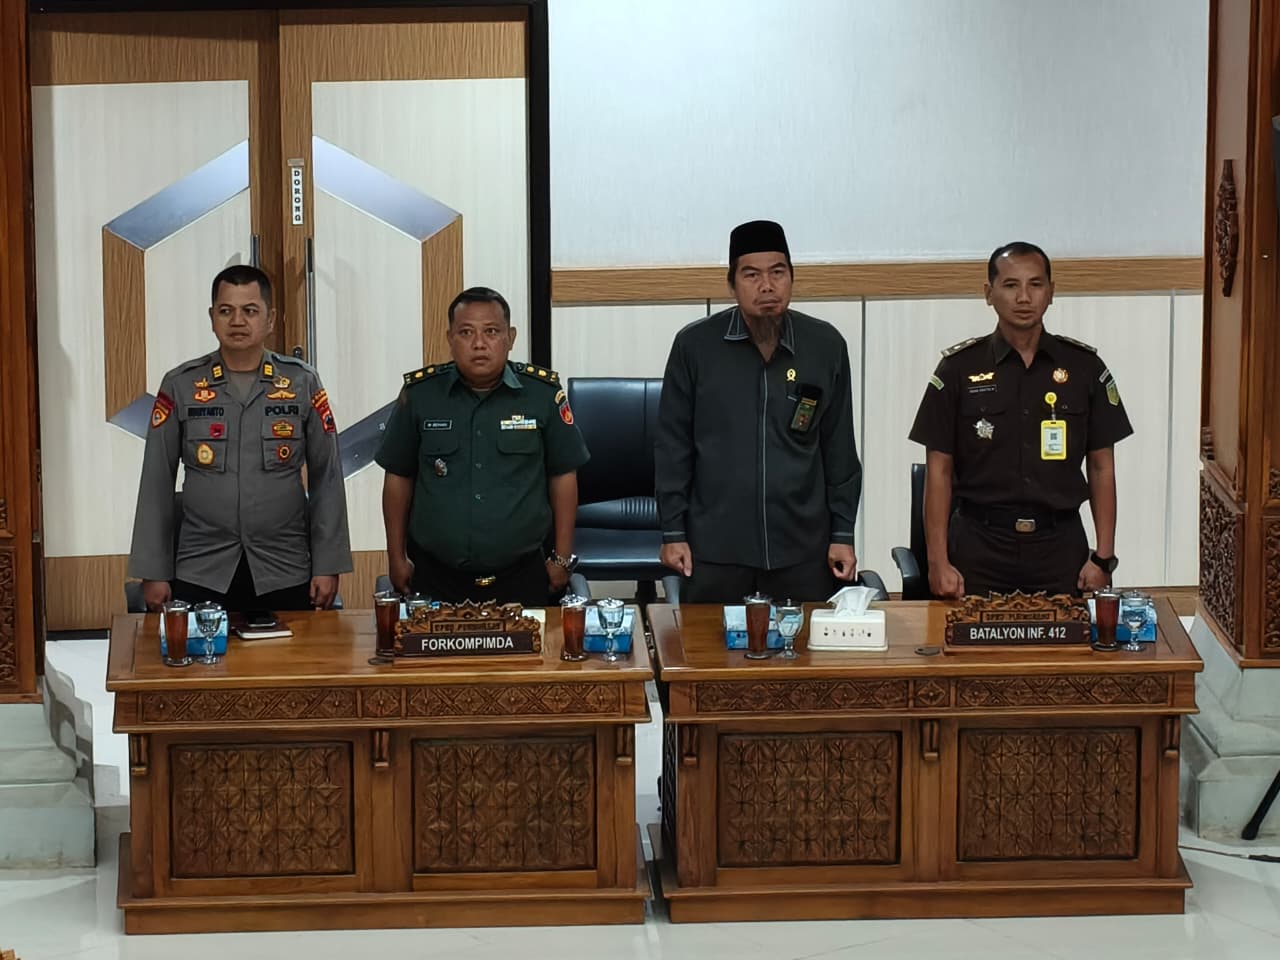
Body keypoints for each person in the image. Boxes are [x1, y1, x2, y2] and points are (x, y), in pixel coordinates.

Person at [908, 241, 1133, 598]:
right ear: (989, 293)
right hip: (978, 547)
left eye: (1036, 284)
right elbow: (939, 471)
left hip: (1059, 547)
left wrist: (1103, 558)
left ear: (1051, 292)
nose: (1024, 297)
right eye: (1011, 285)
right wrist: (937, 562)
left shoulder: (1084, 368)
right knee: (967, 637)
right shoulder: (957, 369)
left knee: (1066, 636)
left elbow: (1101, 466)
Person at [654, 220, 862, 602]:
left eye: (777, 273)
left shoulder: (825, 345)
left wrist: (843, 534)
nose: (767, 286)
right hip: (715, 548)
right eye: (752, 275)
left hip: (803, 548)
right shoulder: (695, 346)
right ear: (731, 284)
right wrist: (673, 532)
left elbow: (840, 450)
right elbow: (672, 447)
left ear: (792, 278)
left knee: (803, 641)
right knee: (709, 641)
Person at [128, 264, 353, 612]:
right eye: (225, 311)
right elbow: (156, 479)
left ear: (270, 319)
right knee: (201, 649)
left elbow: (328, 477)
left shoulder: (301, 382)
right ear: (212, 317)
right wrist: (153, 571)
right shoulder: (181, 384)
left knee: (291, 648)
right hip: (202, 565)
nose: (237, 321)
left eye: (250, 311)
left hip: (284, 566)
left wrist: (327, 564)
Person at [376, 286, 589, 607]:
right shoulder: (420, 395)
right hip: (436, 575)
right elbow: (398, 478)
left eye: (491, 332)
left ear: (510, 337)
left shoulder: (542, 395)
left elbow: (563, 476)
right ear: (449, 338)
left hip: (522, 573)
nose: (479, 343)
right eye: (466, 332)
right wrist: (396, 557)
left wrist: (561, 558)